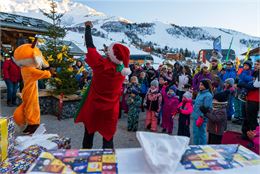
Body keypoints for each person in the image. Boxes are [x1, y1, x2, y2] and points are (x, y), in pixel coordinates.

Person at [74, 21, 131, 149]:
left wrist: (88, 28)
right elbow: (118, 59)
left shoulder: (100, 65)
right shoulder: (122, 71)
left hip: (94, 107)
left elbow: (90, 45)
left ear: (110, 55)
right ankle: (108, 164)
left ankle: (85, 158)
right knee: (108, 139)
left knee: (88, 134)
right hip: (110, 110)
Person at [241, 59, 260, 140]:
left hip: (255, 99)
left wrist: (242, 84)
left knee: (252, 119)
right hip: (250, 98)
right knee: (247, 117)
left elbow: (255, 85)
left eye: (258, 64)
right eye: (255, 64)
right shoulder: (254, 72)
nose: (256, 65)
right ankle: (246, 134)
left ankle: (254, 138)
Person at [192, 79, 213, 145]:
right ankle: (196, 146)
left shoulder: (208, 95)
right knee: (195, 133)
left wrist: (201, 117)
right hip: (195, 116)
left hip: (201, 118)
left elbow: (206, 108)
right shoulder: (200, 93)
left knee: (201, 133)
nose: (199, 86)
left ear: (205, 86)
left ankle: (202, 147)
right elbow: (197, 103)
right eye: (200, 84)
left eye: (202, 85)